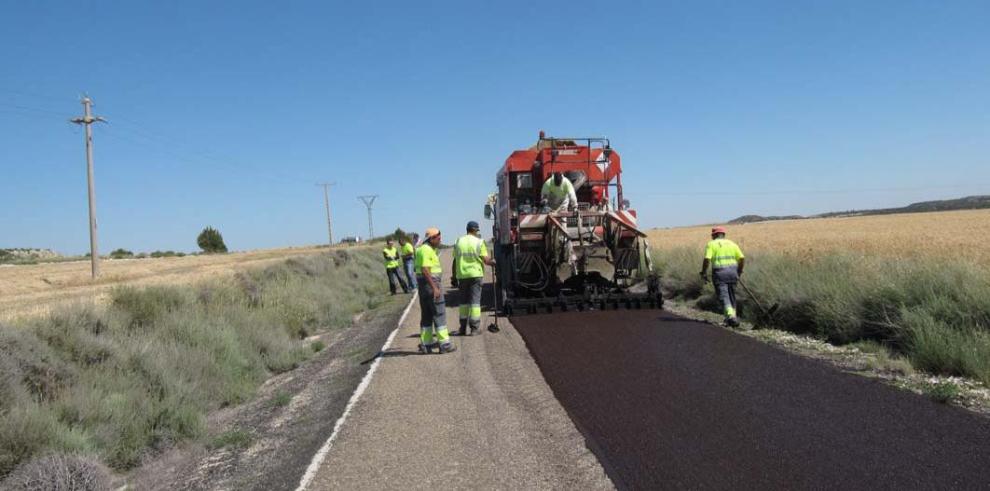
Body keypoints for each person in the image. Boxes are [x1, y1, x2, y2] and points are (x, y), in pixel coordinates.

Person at [451, 221, 495, 336]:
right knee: (475, 303)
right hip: (476, 276)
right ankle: (474, 329)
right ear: (475, 230)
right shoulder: (479, 242)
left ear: (467, 229)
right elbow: (486, 260)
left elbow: (455, 260)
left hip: (462, 276)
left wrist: (454, 276)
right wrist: (493, 262)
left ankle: (462, 328)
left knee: (463, 303)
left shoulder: (458, 241)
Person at [415, 227, 455, 354]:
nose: (440, 239)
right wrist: (435, 288)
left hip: (423, 286)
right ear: (431, 239)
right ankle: (444, 344)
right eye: (438, 238)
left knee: (426, 315)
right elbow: (425, 269)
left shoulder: (423, 249)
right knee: (439, 314)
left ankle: (426, 344)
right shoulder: (426, 250)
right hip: (431, 284)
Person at [699, 226, 745, 327]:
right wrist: (739, 271)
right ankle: (730, 319)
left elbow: (707, 259)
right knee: (732, 296)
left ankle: (731, 317)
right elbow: (742, 258)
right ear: (723, 235)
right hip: (733, 273)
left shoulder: (711, 244)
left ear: (714, 235)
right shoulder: (732, 244)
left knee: (724, 296)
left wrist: (703, 272)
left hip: (720, 274)